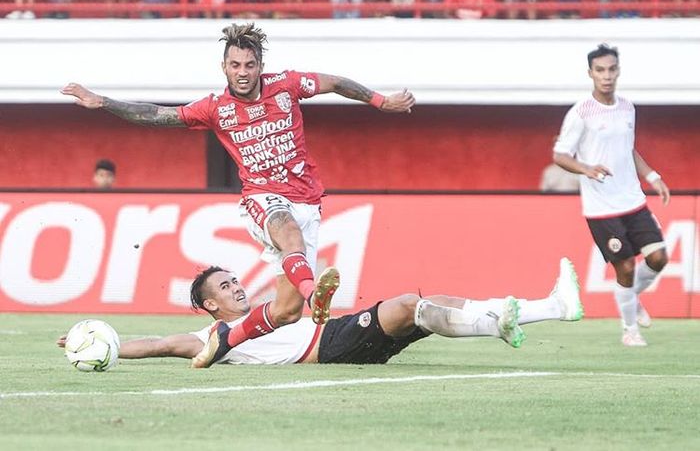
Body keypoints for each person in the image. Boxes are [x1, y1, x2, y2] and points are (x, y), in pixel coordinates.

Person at [61, 22, 416, 365]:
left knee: (287, 312)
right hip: (261, 198)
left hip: (307, 198)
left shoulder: (287, 84)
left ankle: (232, 338)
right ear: (224, 67)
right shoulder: (215, 108)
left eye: (249, 64)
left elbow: (336, 83)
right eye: (235, 65)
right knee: (287, 230)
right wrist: (103, 101)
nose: (242, 71)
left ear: (261, 66)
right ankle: (315, 295)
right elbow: (157, 114)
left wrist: (380, 101)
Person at [57, 258, 584, 366]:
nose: (237, 286)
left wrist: (320, 304)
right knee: (406, 305)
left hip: (330, 335)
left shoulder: (270, 309)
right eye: (225, 285)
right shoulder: (213, 336)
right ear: (209, 304)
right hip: (327, 350)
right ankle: (506, 320)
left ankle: (551, 308)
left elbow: (306, 316)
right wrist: (103, 343)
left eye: (235, 278)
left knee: (430, 304)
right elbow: (159, 345)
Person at [553, 44, 670, 347]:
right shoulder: (580, 113)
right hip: (601, 207)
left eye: (611, 69)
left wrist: (653, 176)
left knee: (659, 257)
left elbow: (628, 149)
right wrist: (586, 168)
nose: (606, 76)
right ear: (590, 74)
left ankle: (632, 297)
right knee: (626, 268)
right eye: (600, 70)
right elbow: (560, 155)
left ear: (618, 71)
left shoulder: (628, 107)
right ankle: (629, 330)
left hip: (632, 199)